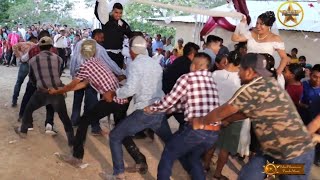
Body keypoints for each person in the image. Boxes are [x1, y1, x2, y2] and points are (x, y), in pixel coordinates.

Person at [193, 53, 315, 180]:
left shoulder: (250, 90)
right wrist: (228, 120)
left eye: (240, 69)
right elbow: (246, 112)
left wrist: (199, 122)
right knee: (248, 176)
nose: (238, 73)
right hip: (271, 153)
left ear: (249, 71)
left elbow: (220, 112)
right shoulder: (270, 83)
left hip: (295, 156)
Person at [49, 39, 147, 171]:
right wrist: (64, 90)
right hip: (121, 100)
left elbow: (73, 84)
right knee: (121, 130)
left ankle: (77, 157)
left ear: (81, 52)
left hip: (112, 100)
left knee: (83, 121)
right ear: (95, 51)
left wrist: (58, 91)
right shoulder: (97, 62)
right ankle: (140, 160)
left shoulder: (85, 66)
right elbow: (83, 84)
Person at [102, 36, 173, 180]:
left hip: (145, 111)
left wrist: (114, 92)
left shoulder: (135, 65)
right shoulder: (155, 63)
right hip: (159, 109)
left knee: (115, 136)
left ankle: (118, 174)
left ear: (132, 51)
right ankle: (195, 169)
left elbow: (130, 89)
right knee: (173, 143)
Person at [144, 52, 220, 180]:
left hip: (197, 129)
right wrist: (171, 109)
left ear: (195, 66)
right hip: (213, 133)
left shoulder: (187, 78)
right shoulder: (211, 81)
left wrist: (152, 108)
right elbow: (190, 104)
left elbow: (169, 100)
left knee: (169, 152)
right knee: (193, 158)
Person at [14, 36, 74, 147]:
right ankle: (71, 141)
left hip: (41, 91)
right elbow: (58, 73)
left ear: (39, 47)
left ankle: (23, 131)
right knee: (64, 117)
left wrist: (40, 83)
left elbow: (32, 77)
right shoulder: (58, 59)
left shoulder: (32, 60)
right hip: (56, 91)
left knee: (28, 110)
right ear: (51, 47)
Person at [69, 29, 124, 134]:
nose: (103, 40)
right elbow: (109, 63)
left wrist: (73, 75)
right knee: (92, 103)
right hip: (91, 79)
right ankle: (95, 127)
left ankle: (74, 121)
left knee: (77, 100)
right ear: (97, 36)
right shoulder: (99, 49)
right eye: (102, 37)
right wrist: (120, 72)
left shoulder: (80, 43)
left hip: (79, 76)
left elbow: (74, 59)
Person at [203, 51, 244, 178]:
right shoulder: (241, 79)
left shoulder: (215, 73)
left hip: (215, 113)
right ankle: (218, 173)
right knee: (225, 149)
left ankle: (205, 167)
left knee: (211, 144)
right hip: (232, 117)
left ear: (226, 60)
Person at [17, 30, 56, 134]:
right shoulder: (54, 50)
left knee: (28, 99)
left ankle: (27, 123)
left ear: (39, 40)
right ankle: (49, 125)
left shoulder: (33, 49)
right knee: (50, 102)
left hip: (34, 79)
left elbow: (24, 59)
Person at [232, 11, 290, 76]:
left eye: (261, 24)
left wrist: (278, 71)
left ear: (269, 26)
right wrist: (240, 25)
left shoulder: (275, 38)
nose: (258, 26)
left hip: (264, 71)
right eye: (257, 23)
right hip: (248, 69)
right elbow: (235, 39)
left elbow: (284, 58)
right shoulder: (252, 33)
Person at [162, 42, 200, 129]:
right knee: (184, 119)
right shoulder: (188, 65)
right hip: (173, 93)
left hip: (168, 91)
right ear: (193, 54)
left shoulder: (180, 59)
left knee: (169, 114)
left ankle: (151, 127)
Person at [95, 2, 132, 69]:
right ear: (112, 11)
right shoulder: (106, 19)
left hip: (120, 55)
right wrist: (98, 2)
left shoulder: (123, 23)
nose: (118, 15)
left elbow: (130, 34)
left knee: (119, 76)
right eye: (116, 12)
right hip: (108, 54)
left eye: (120, 13)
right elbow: (98, 12)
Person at [300, 64, 320, 166]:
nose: (317, 80)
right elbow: (298, 101)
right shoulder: (303, 84)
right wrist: (306, 106)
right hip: (303, 119)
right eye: (315, 76)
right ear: (310, 74)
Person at [11, 36, 38, 107]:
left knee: (19, 82)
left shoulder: (23, 44)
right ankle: (29, 101)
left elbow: (14, 46)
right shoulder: (36, 45)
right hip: (33, 65)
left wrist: (19, 55)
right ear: (34, 40)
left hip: (25, 64)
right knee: (32, 84)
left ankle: (14, 100)